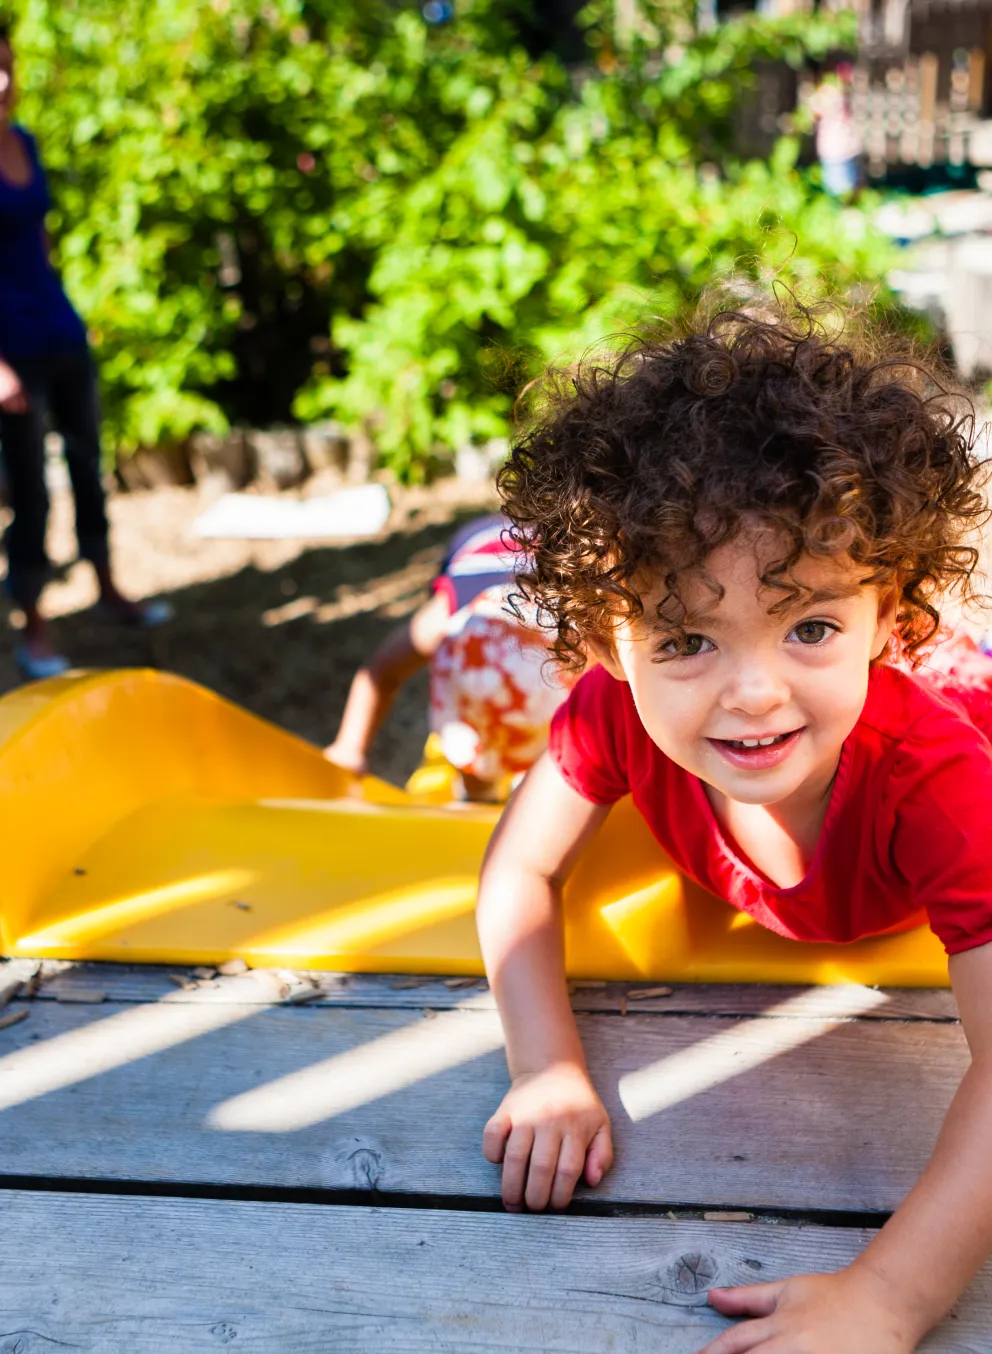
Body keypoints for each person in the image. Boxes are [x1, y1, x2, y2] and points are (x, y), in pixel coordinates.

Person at [476, 305, 992, 1353]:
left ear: (886, 615)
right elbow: (518, 870)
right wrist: (543, 1067)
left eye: (808, 625)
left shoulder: (937, 784)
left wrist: (887, 1298)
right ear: (603, 641)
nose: (753, 694)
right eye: (684, 639)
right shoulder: (612, 713)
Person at [0, 22, 169, 680]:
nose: (4, 82)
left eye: (9, 66)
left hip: (58, 330)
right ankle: (34, 624)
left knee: (87, 463)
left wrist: (66, 307)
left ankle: (109, 588)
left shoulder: (25, 143)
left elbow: (37, 238)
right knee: (31, 494)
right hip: (10, 350)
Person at [324, 514, 575, 801]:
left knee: (545, 780)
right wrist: (349, 747)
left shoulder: (587, 631)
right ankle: (478, 795)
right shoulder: (443, 617)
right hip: (478, 548)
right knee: (474, 749)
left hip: (549, 553)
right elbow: (382, 672)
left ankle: (518, 784)